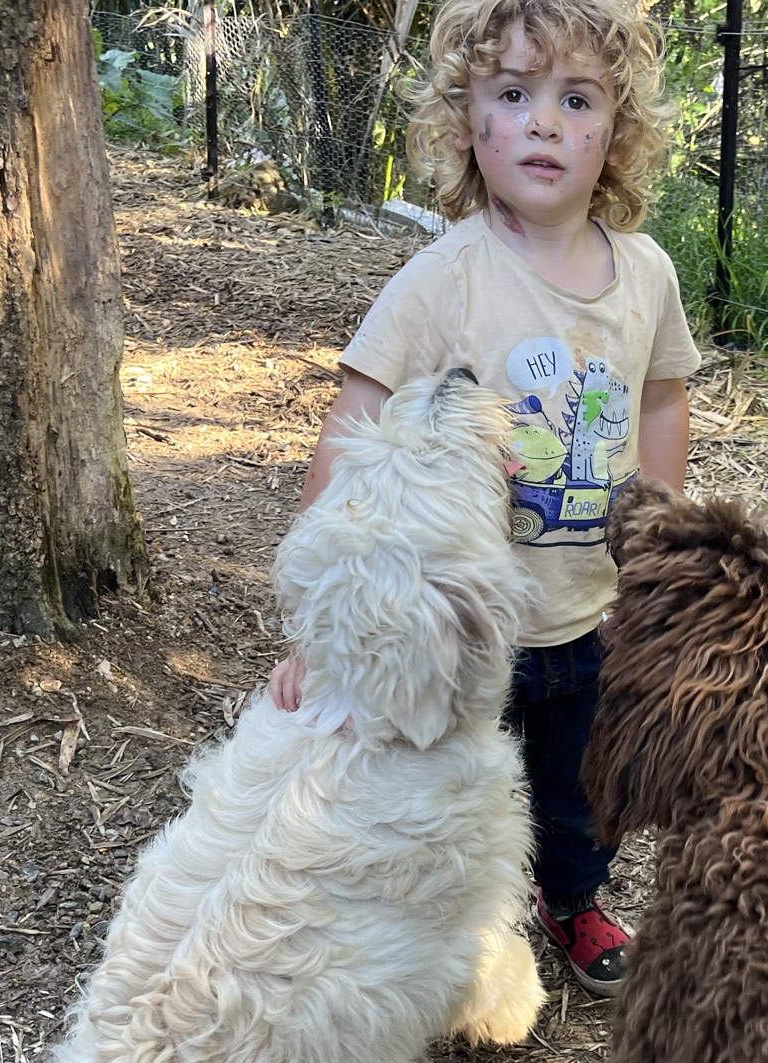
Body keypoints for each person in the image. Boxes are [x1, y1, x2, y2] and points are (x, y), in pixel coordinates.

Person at [267, 0, 699, 999]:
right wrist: (316, 631)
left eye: (576, 98)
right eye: (513, 93)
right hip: (466, 632)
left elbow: (664, 397)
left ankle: (574, 899)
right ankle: (465, 936)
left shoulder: (645, 277)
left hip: (592, 608)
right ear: (466, 122)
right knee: (455, 787)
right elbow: (352, 423)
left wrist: (659, 541)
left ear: (618, 132)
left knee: (580, 788)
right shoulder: (440, 281)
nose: (543, 122)